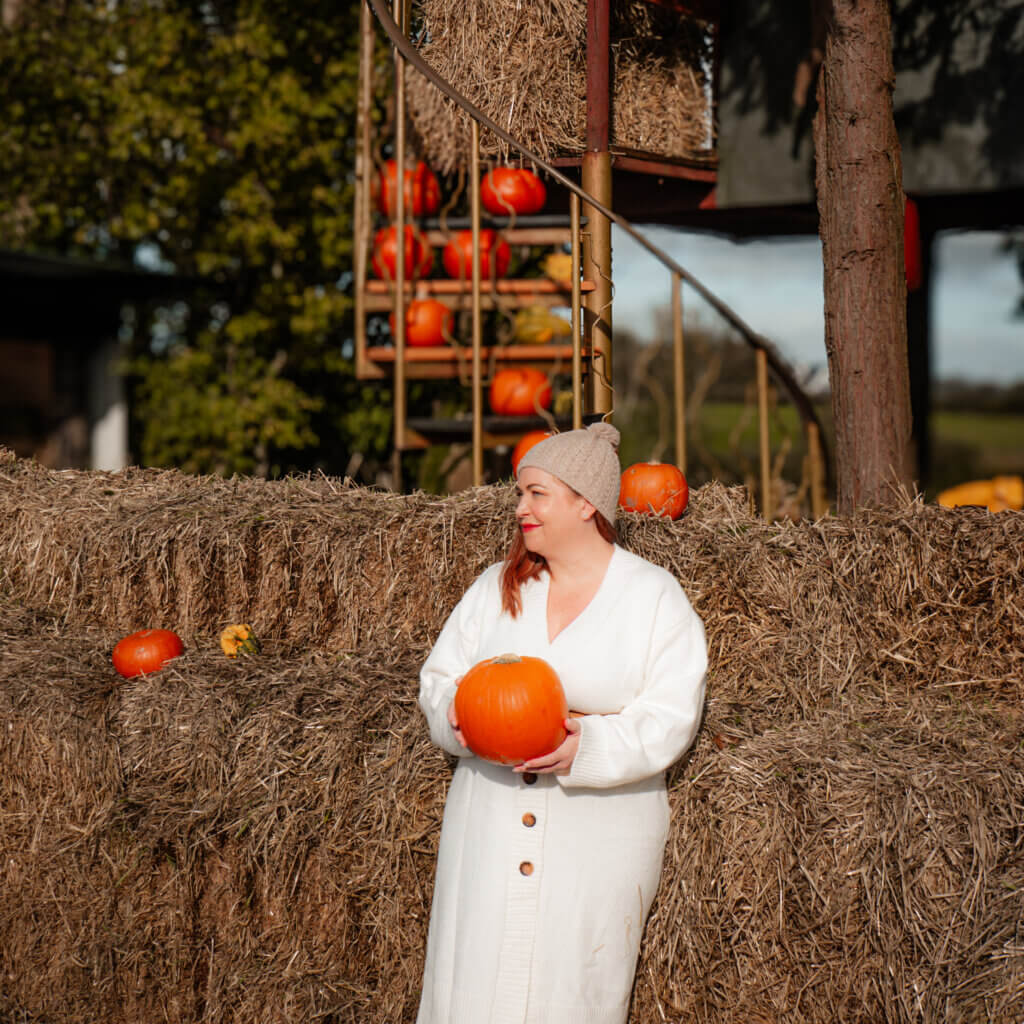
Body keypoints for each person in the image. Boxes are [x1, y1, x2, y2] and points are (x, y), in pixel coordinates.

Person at [416, 422, 707, 1024]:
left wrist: (590, 747)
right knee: (472, 988)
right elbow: (438, 679)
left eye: (537, 494)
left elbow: (672, 714)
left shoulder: (654, 598)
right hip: (488, 826)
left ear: (585, 502)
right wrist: (459, 719)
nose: (521, 508)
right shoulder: (495, 590)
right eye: (519, 494)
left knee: (572, 986)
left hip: (598, 837)